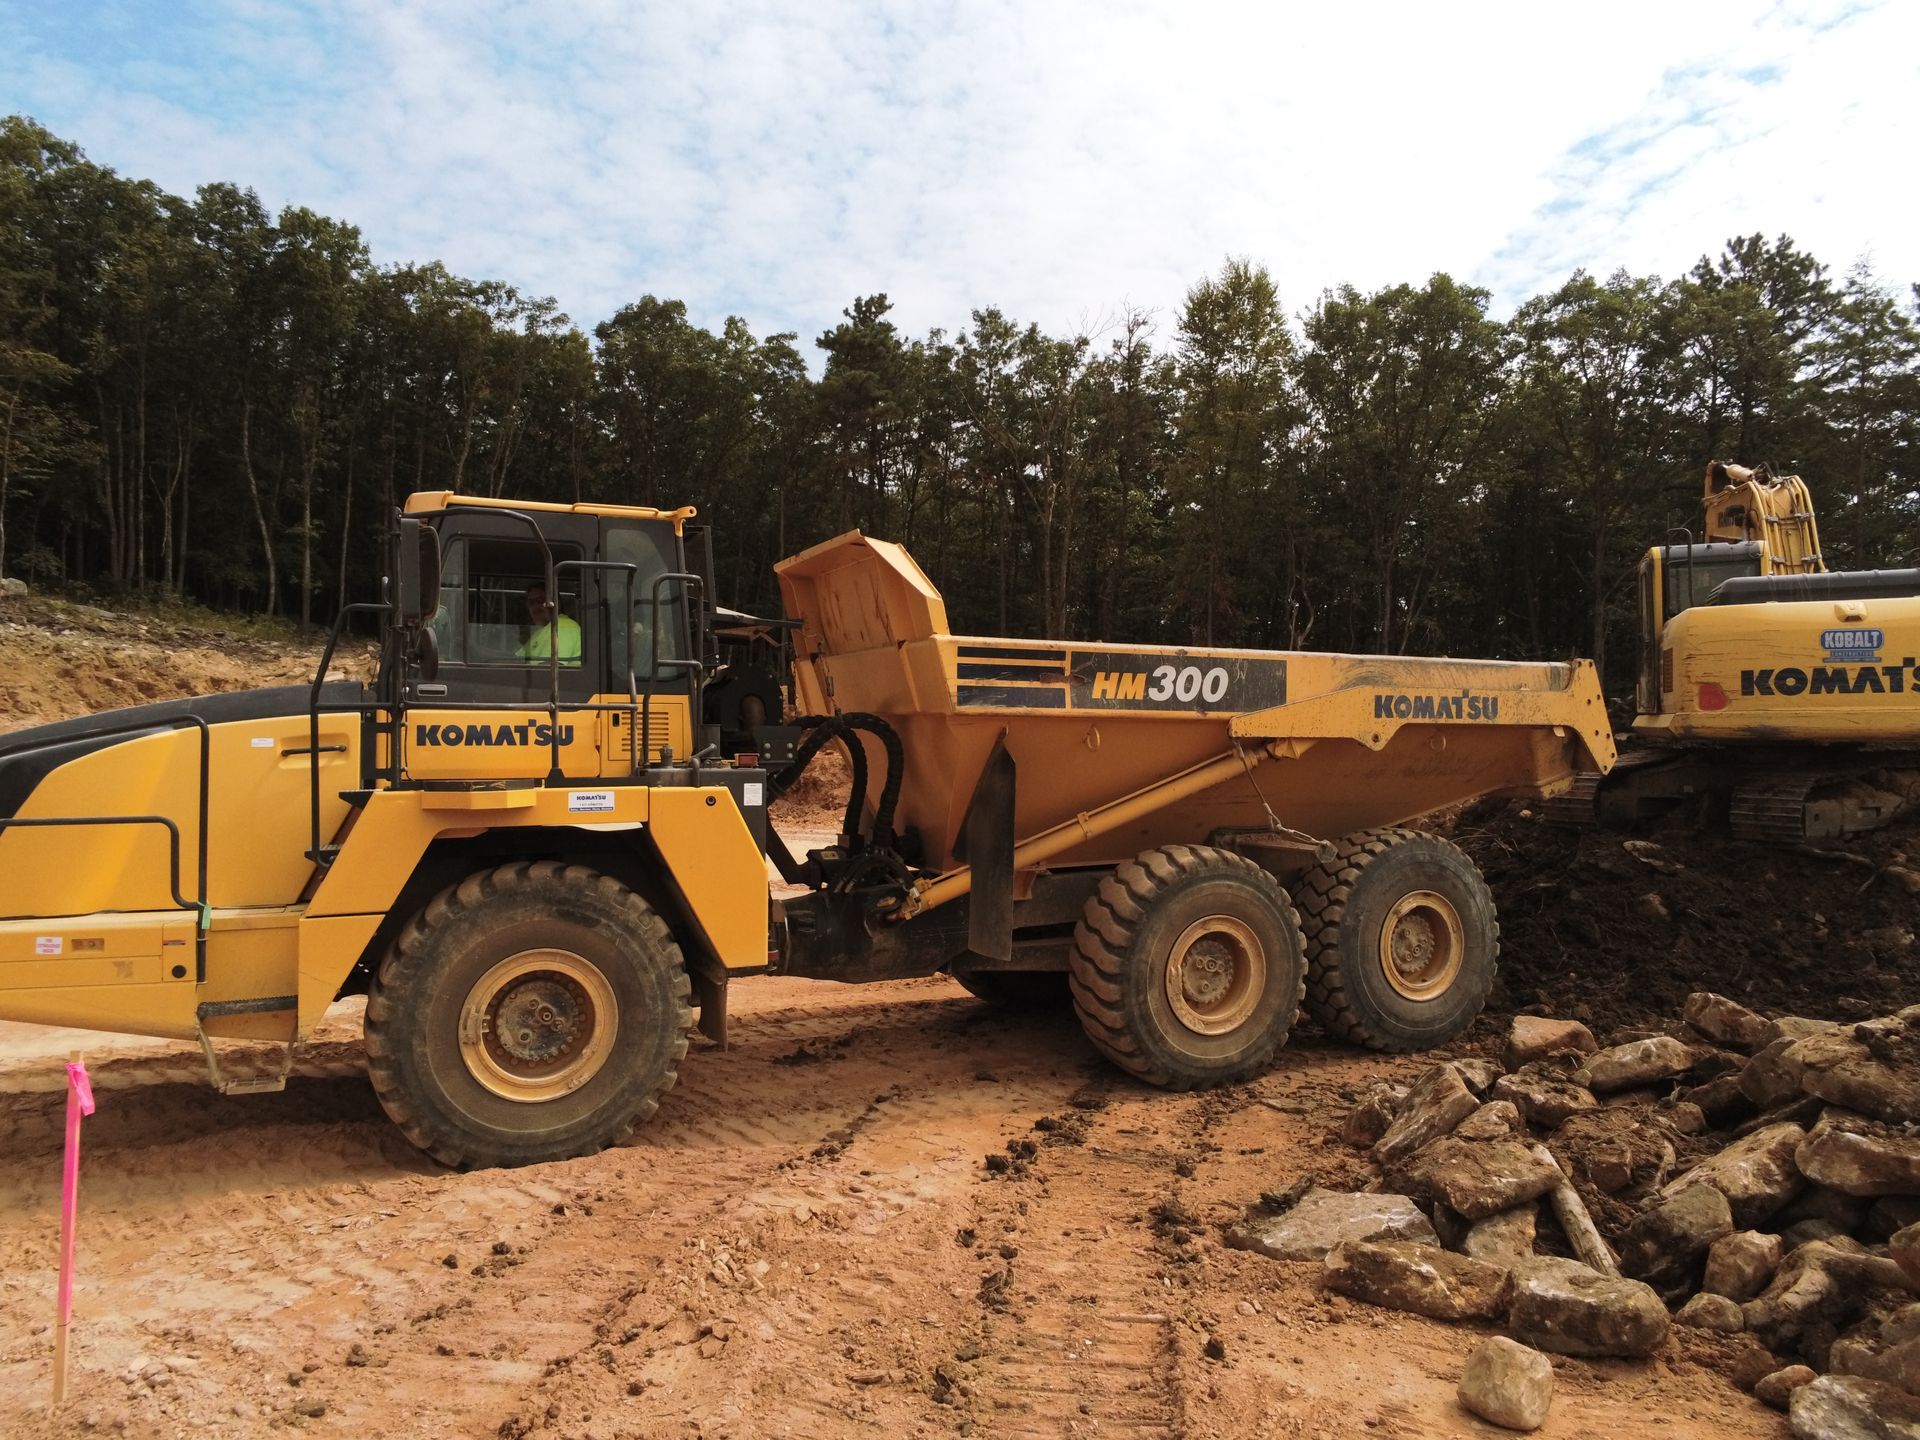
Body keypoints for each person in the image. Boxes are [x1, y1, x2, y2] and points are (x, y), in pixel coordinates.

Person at [517, 582, 581, 665]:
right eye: (531, 602)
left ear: (556, 603)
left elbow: (548, 670)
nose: (535, 606)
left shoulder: (562, 627)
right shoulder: (542, 630)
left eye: (541, 600)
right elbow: (518, 662)